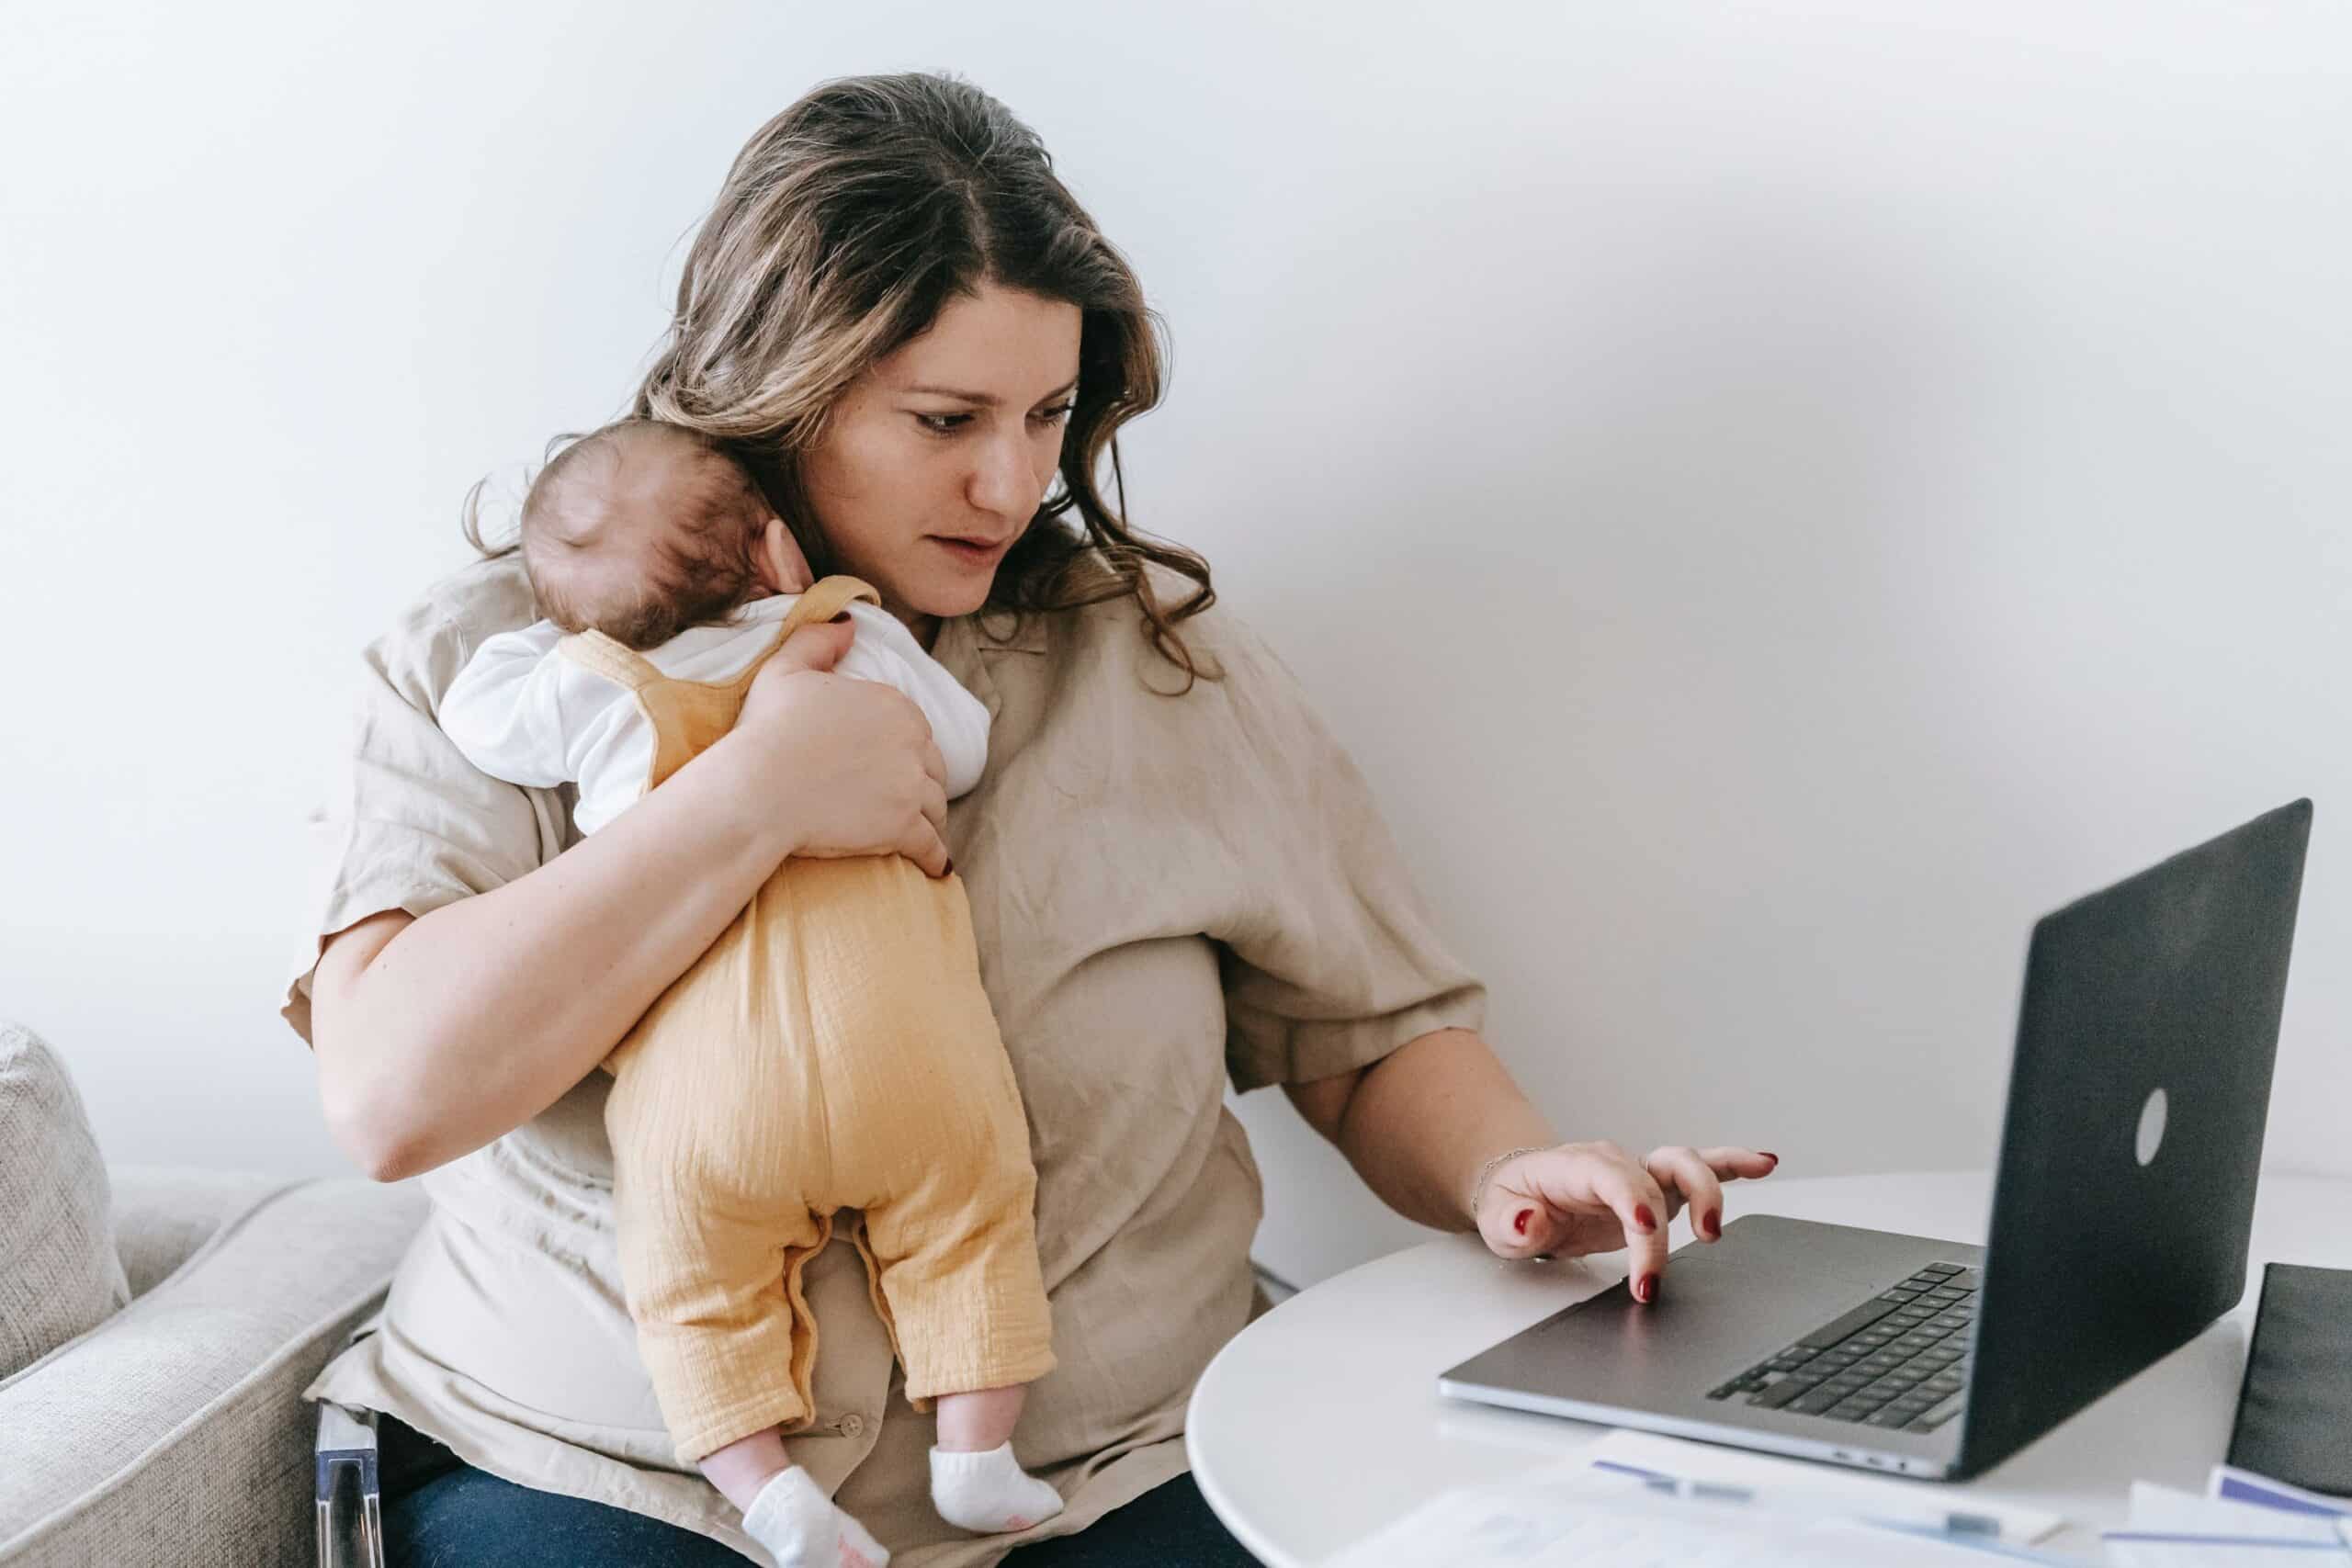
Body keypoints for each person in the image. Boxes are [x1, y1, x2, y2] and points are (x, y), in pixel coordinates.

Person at [290, 71, 1777, 1568]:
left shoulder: (1158, 664)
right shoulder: (502, 666)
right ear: (779, 385)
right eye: (946, 418)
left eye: (1048, 415)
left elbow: (1369, 1031)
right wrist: (747, 800)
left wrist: (1503, 1173)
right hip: (608, 1472)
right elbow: (393, 1097)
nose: (1009, 482)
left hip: (1117, 1464)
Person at [435, 417, 1062, 1566]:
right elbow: (962, 749)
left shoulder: (601, 688)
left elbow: (477, 714)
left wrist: (561, 633)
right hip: (907, 1048)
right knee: (975, 1218)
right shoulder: (844, 634)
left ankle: (768, 1495)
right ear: (777, 551)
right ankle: (975, 1456)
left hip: (708, 1088)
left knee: (691, 1286)